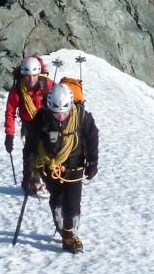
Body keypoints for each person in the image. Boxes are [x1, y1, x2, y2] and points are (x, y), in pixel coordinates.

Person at [23, 82, 99, 254]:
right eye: (56, 113)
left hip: (75, 164)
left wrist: (93, 162)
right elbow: (31, 148)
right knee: (57, 198)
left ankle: (70, 237)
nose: (61, 116)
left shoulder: (81, 116)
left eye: (64, 112)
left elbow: (92, 136)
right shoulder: (41, 119)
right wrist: (28, 174)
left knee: (72, 203)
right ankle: (60, 226)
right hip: (49, 166)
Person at [4, 55, 50, 161]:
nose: (31, 79)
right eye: (28, 76)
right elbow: (10, 113)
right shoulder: (17, 90)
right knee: (31, 162)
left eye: (34, 76)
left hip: (47, 127)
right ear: (24, 76)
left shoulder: (47, 84)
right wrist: (9, 135)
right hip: (29, 129)